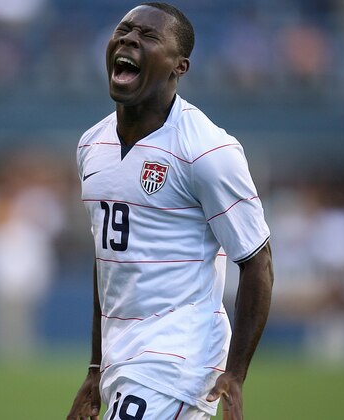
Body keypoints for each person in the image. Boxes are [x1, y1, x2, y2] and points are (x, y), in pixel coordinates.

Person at [67, 3, 273, 419]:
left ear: (180, 67)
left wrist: (235, 373)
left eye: (147, 36)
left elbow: (258, 261)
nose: (128, 40)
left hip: (177, 359)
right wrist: (95, 367)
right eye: (123, 31)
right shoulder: (92, 145)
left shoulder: (208, 151)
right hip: (121, 361)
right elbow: (108, 261)